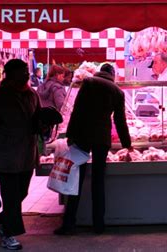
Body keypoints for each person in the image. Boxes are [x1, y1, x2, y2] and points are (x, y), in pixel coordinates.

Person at [54, 63, 131, 235]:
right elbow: (120, 121)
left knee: (76, 180)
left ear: (100, 71)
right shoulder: (117, 91)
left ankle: (69, 224)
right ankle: (99, 225)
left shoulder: (89, 83)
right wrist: (127, 144)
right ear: (112, 74)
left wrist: (71, 134)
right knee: (98, 181)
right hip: (102, 139)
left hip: (82, 135)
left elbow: (77, 110)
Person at [0, 59, 41, 250]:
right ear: (10, 74)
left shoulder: (32, 94)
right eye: (22, 71)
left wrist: (46, 123)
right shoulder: (0, 96)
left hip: (27, 153)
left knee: (21, 192)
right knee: (11, 195)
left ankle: (3, 220)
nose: (26, 74)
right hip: (6, 153)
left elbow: (38, 118)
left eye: (26, 71)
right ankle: (8, 234)